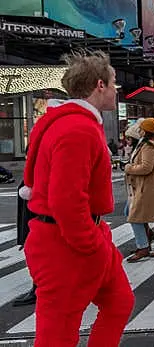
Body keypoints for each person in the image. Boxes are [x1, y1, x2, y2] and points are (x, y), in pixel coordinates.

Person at [20, 50, 134, 346]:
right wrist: (93, 246)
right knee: (57, 335)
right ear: (99, 85)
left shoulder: (72, 123)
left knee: (120, 302)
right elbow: (66, 201)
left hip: (79, 237)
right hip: (65, 245)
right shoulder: (78, 129)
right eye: (113, 83)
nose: (115, 91)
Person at [125, 118, 154, 262]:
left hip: (150, 186)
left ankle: (143, 246)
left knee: (135, 217)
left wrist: (129, 168)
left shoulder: (149, 146)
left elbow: (146, 167)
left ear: (145, 130)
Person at [13, 146, 36, 307]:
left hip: (37, 225)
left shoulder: (38, 172)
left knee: (39, 261)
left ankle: (37, 289)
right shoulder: (32, 172)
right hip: (31, 225)